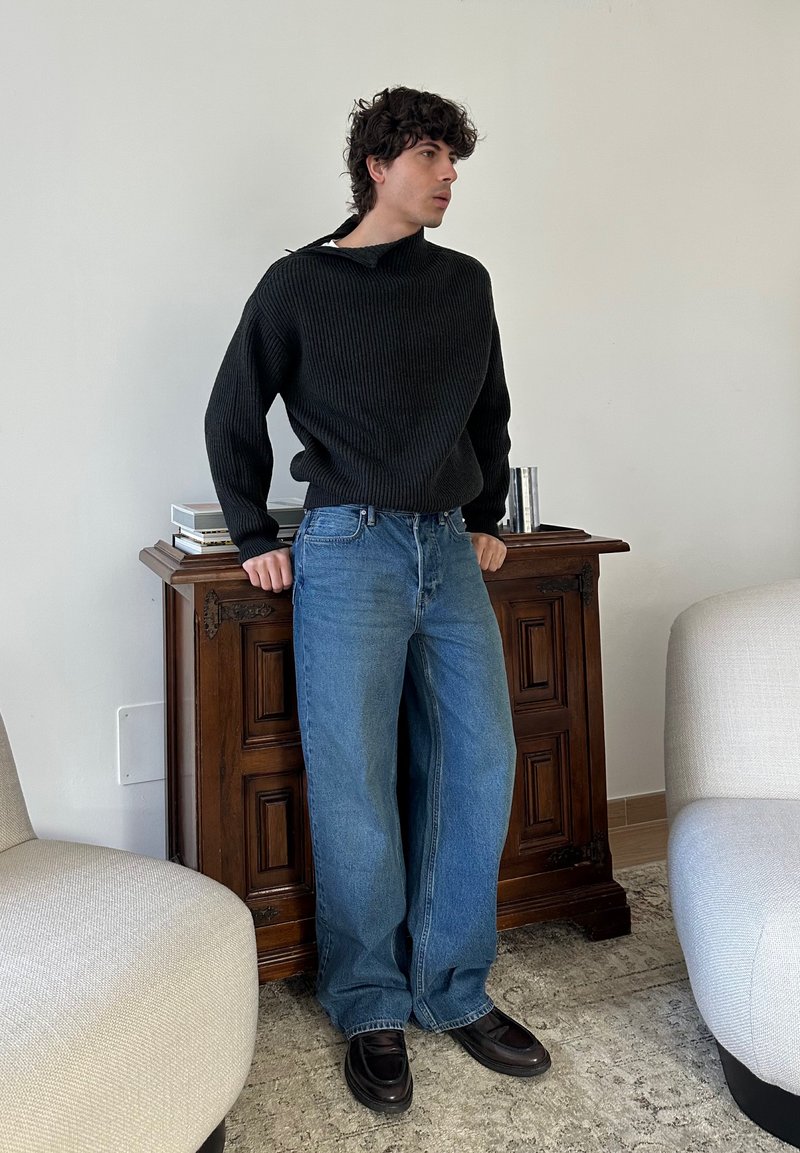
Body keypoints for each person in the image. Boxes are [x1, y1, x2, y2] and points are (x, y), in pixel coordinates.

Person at [205, 85, 551, 1114]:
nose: (449, 176)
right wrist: (254, 535)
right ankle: (369, 1003)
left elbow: (488, 410)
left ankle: (452, 987)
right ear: (378, 164)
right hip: (348, 549)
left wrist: (485, 514)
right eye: (431, 155)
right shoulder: (297, 283)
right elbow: (233, 407)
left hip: (447, 548)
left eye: (454, 159)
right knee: (354, 779)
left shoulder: (463, 282)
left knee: (478, 761)